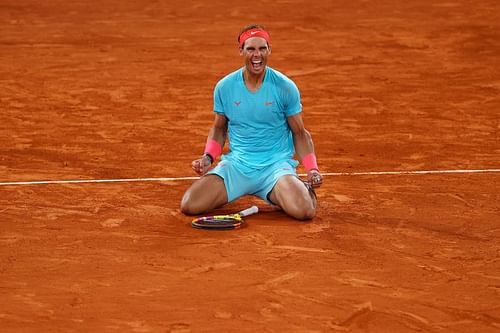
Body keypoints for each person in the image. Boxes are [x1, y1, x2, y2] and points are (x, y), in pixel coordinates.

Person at [180, 24, 323, 220]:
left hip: (275, 168)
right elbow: (219, 128)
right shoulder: (225, 87)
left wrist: (312, 169)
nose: (257, 55)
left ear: (269, 50)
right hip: (237, 166)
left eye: (262, 48)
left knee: (305, 211)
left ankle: (302, 190)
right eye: (251, 49)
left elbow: (299, 133)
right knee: (190, 204)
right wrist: (208, 157)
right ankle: (259, 192)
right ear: (241, 51)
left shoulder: (285, 87)